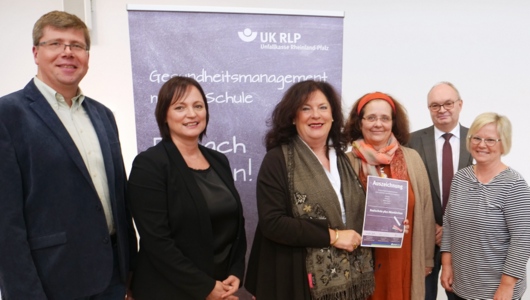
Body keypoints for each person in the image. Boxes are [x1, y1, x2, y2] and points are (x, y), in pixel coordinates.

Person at [0, 10, 137, 299]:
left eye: (77, 46)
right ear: (36, 52)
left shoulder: (103, 115)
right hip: (52, 282)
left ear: (87, 55)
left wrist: (130, 274)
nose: (68, 53)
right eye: (56, 44)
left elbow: (118, 199)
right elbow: (5, 222)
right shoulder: (7, 115)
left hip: (113, 279)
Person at [245, 80, 375, 300]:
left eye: (323, 107)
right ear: (294, 117)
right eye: (306, 108)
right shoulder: (277, 160)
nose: (316, 115)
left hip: (349, 283)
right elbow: (273, 223)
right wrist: (332, 236)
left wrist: (388, 226)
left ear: (333, 116)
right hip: (296, 280)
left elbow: (354, 216)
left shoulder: (343, 159)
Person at [127, 76, 246, 300]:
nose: (192, 114)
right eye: (180, 107)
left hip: (219, 285)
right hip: (168, 290)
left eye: (198, 106)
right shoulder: (149, 165)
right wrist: (205, 287)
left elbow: (236, 225)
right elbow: (157, 242)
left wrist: (235, 271)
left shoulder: (219, 160)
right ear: (164, 115)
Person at [343, 92, 435, 300]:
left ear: (393, 122)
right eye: (371, 118)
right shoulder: (346, 162)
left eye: (385, 118)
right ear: (360, 123)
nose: (378, 124)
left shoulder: (412, 158)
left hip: (403, 257)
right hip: (361, 259)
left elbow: (426, 210)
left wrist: (427, 258)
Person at [440, 112, 530, 300]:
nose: (481, 145)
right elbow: (448, 224)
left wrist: (507, 285)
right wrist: (446, 265)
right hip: (459, 286)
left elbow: (522, 241)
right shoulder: (460, 179)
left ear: (503, 144)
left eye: (490, 140)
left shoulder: (515, 185)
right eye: (477, 138)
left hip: (496, 291)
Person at [408, 82, 473, 300]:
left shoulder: (477, 140)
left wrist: (451, 230)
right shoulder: (410, 141)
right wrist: (431, 226)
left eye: (448, 103)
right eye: (435, 105)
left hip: (462, 240)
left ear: (460, 104)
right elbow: (406, 188)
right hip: (422, 238)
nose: (442, 110)